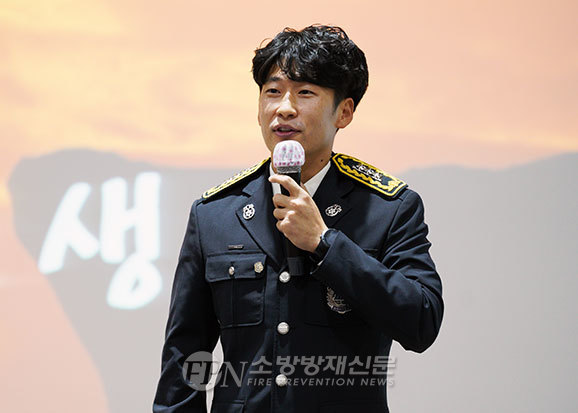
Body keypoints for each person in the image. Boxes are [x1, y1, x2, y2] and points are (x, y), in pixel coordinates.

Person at [153, 25, 443, 413]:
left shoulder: (389, 208)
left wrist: (326, 244)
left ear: (344, 112)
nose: (284, 108)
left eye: (305, 92)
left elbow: (421, 322)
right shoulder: (215, 214)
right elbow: (186, 355)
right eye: (272, 92)